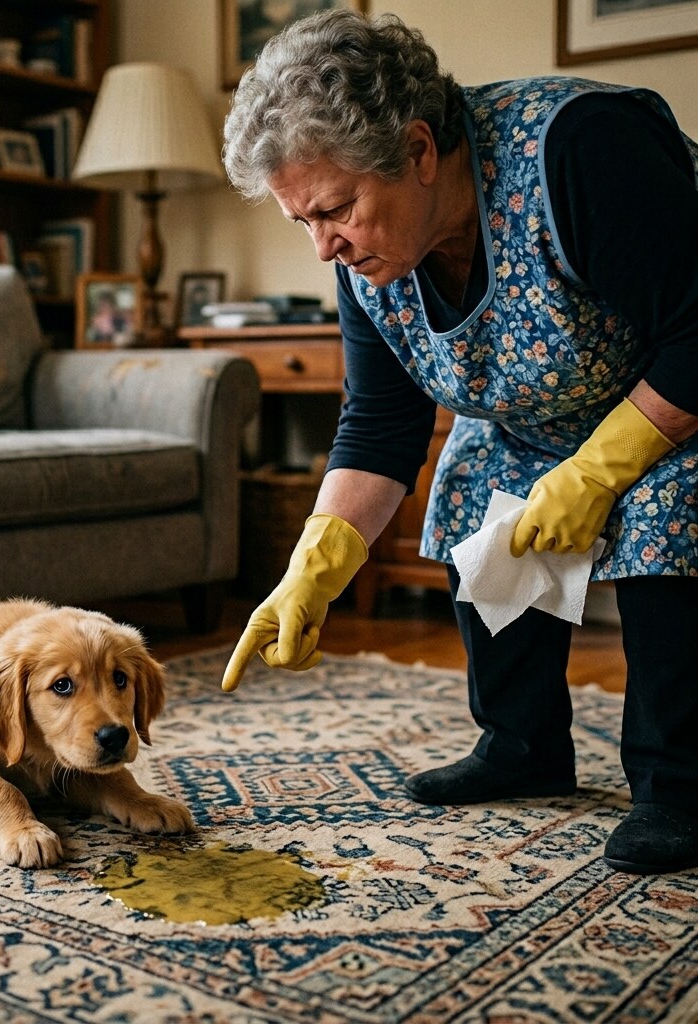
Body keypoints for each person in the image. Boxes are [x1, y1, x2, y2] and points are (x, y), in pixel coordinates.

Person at [220, 8, 698, 875]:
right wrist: (315, 565)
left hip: (679, 399)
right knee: (473, 479)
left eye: (336, 210)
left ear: (417, 150)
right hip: (536, 419)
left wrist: (601, 469)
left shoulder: (583, 147)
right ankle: (522, 746)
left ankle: (680, 785)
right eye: (303, 223)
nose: (323, 245)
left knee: (672, 515)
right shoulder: (366, 263)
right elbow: (381, 423)